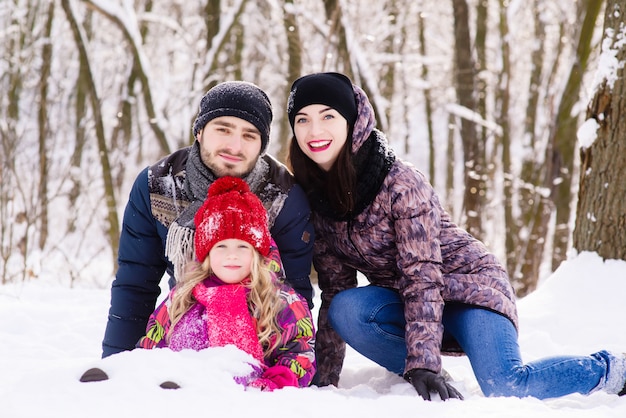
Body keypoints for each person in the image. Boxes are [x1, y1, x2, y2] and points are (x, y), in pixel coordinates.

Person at [286, 72, 626, 401]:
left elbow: (422, 276)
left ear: (353, 121)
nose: (315, 130)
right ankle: (426, 375)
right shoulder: (315, 199)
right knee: (346, 309)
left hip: (471, 291)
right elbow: (335, 290)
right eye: (302, 119)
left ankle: (611, 369)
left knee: (507, 385)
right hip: (409, 303)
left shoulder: (401, 184)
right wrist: (323, 380)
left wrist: (424, 362)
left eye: (328, 116)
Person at [102, 81, 315, 358]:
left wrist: (289, 374)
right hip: (185, 317)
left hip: (258, 339)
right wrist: (118, 364)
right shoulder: (157, 185)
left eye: (249, 135)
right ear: (200, 131)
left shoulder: (283, 196)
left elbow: (293, 296)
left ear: (262, 145)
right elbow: (135, 284)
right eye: (223, 129)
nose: (235, 146)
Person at [135, 176, 316, 390]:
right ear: (207, 254)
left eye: (242, 247)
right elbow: (154, 340)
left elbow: (301, 349)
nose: (232, 255)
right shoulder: (184, 296)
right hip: (183, 391)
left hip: (249, 396)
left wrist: (279, 379)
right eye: (221, 247)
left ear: (257, 253)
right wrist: (144, 369)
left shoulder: (280, 299)